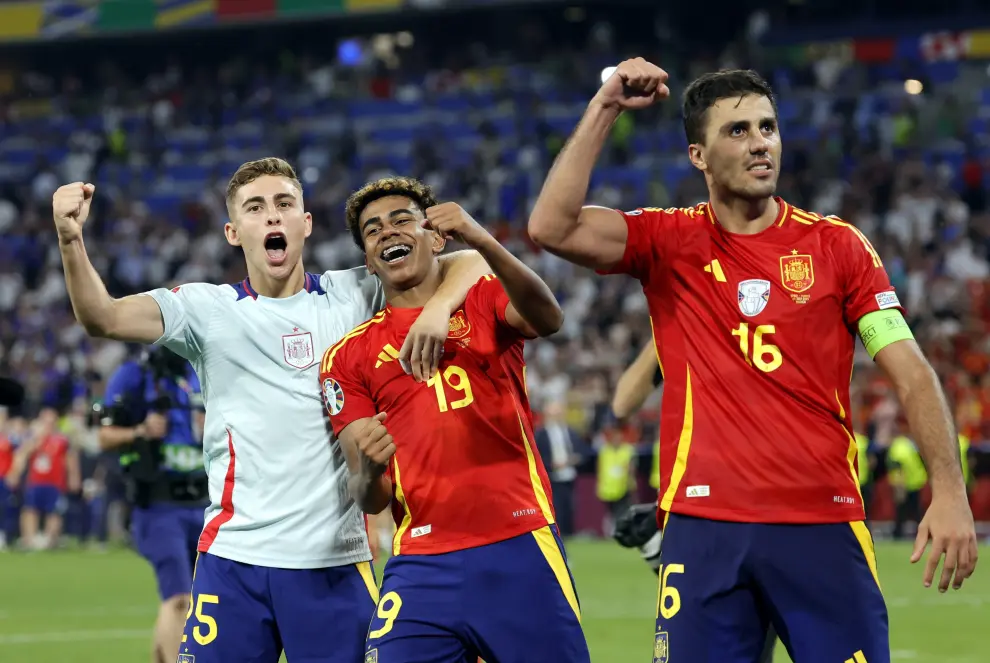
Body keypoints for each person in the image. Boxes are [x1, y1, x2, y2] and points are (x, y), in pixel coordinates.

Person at [528, 60, 979, 663]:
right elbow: (550, 227)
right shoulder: (668, 241)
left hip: (821, 521)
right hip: (704, 526)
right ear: (698, 156)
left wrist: (950, 490)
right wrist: (605, 105)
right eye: (737, 131)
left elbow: (911, 369)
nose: (760, 142)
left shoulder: (837, 246)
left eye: (768, 127)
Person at [52, 158, 488, 663]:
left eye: (284, 204)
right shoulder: (206, 310)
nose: (273, 217)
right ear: (234, 232)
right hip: (235, 562)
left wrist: (437, 308)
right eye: (256, 209)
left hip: (334, 565)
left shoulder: (354, 294)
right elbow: (102, 317)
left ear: (305, 223)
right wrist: (70, 240)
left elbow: (469, 263)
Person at [319, 176, 590, 663]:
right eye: (373, 230)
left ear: (436, 237)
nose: (387, 232)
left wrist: (481, 239)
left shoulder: (484, 299)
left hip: (519, 541)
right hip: (421, 562)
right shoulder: (347, 358)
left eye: (402, 220)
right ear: (367, 259)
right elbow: (367, 494)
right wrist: (373, 470)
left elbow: (549, 318)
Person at [610, 341, 779, 663]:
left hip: (753, 502)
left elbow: (622, 404)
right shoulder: (686, 322)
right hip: (700, 504)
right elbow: (622, 402)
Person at [100, 346, 207, 663]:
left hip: (202, 500)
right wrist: (141, 430)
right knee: (178, 599)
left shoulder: (198, 371)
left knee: (198, 600)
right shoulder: (134, 374)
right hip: (159, 505)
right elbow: (104, 436)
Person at [7, 407, 81, 550]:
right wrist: (15, 473)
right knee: (30, 509)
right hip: (35, 481)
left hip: (55, 482)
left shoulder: (62, 440)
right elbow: (22, 455)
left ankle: (49, 540)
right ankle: (29, 539)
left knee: (54, 511)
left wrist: (74, 477)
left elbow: (71, 460)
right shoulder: (34, 438)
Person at [534, 401, 587, 537]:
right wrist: (552, 465)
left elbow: (582, 451)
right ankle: (557, 536)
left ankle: (567, 536)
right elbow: (536, 456)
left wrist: (575, 459)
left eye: (559, 413)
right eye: (554, 413)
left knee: (569, 508)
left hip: (569, 476)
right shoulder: (541, 433)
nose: (557, 416)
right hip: (552, 478)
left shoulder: (570, 431)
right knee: (556, 509)